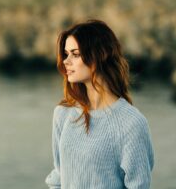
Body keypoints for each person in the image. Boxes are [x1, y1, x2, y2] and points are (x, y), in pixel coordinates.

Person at [45, 19, 154, 189]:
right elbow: (59, 177)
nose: (66, 61)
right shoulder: (63, 113)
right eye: (66, 54)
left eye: (75, 54)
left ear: (98, 55)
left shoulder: (132, 124)